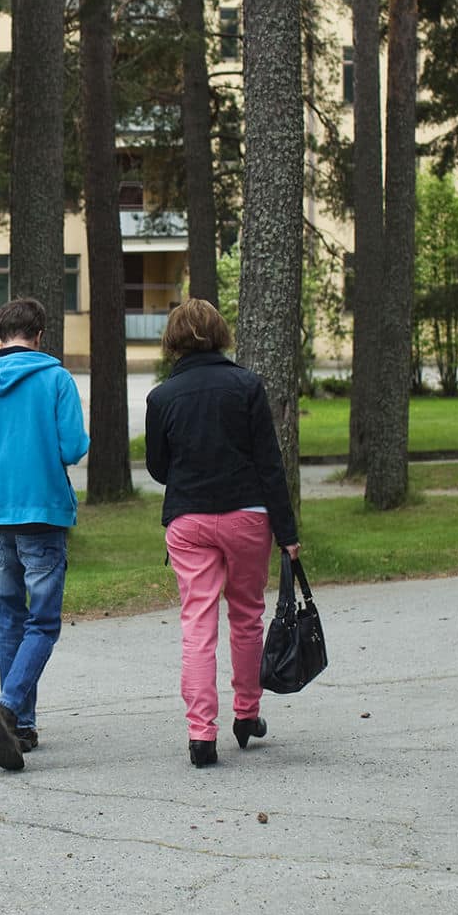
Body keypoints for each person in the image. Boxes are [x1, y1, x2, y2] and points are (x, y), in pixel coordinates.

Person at [143, 298, 302, 768]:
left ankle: (200, 734)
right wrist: (287, 532)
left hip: (189, 519)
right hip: (247, 515)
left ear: (173, 340)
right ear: (220, 332)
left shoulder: (161, 397)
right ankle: (247, 713)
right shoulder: (246, 385)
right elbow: (269, 464)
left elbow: (157, 468)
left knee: (197, 623)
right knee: (248, 616)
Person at [0, 298, 89, 772]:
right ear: (40, 334)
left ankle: (22, 724)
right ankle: (8, 707)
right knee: (44, 622)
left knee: (10, 618)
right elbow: (73, 446)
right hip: (44, 511)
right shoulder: (55, 379)